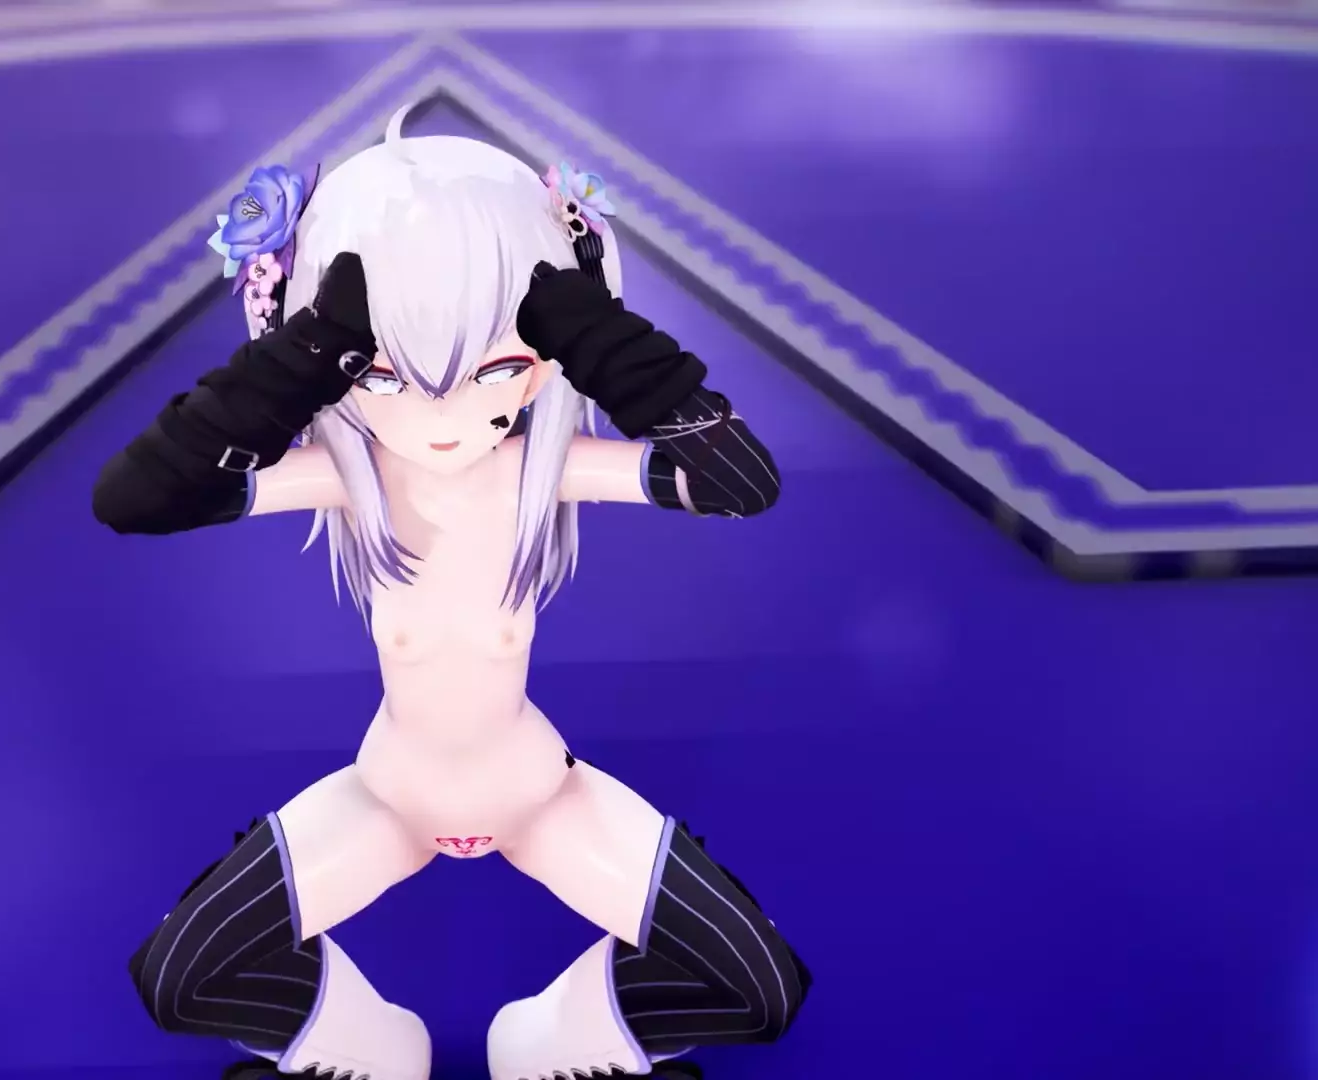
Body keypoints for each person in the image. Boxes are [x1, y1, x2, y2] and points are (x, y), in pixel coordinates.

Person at [93, 108, 810, 1080]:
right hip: (390, 796)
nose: (444, 417)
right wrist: (309, 352)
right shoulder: (352, 480)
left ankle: (553, 1038)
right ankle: (369, 1044)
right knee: (177, 978)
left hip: (536, 793)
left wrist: (591, 332)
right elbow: (135, 499)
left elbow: (739, 484)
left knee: (759, 989)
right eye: (386, 374)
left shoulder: (539, 473)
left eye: (500, 367)